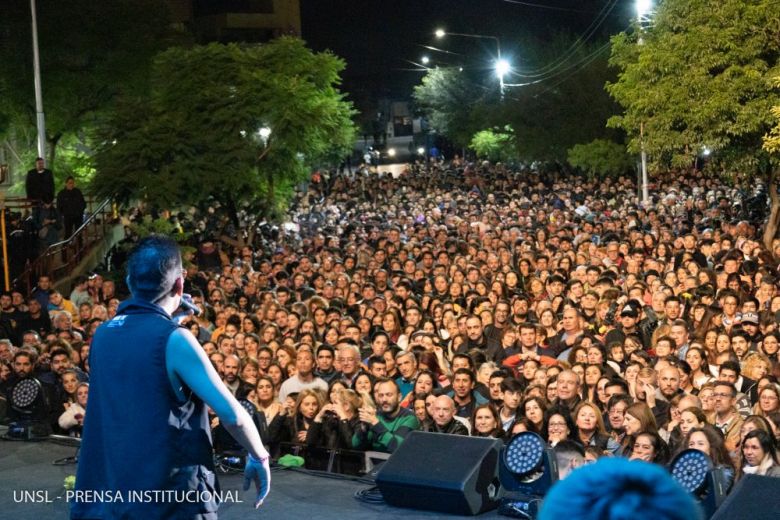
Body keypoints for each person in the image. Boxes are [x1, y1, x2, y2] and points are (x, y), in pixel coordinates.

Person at [72, 236, 270, 519]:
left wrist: (168, 321)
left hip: (112, 495)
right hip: (168, 498)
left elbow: (138, 363)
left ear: (129, 282)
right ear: (180, 284)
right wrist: (259, 455)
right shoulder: (176, 340)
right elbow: (233, 415)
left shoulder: (102, 334)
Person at [351, 378, 419, 453]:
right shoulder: (376, 416)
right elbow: (355, 446)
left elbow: (397, 447)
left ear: (399, 397)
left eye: (389, 395)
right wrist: (364, 429)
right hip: (375, 463)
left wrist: (375, 423)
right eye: (381, 395)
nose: (384, 399)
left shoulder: (409, 418)